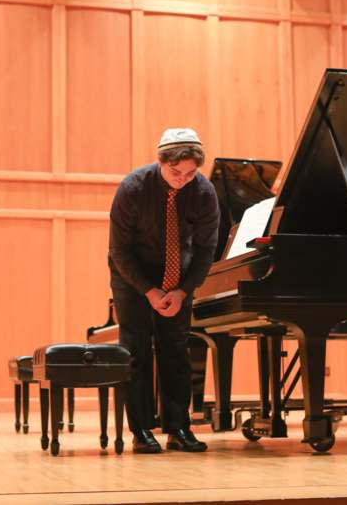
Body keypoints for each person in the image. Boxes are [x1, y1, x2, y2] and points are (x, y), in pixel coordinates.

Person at [108, 127, 220, 453]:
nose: (183, 178)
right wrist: (150, 291)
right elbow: (119, 251)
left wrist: (183, 291)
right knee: (137, 351)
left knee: (175, 350)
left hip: (177, 278)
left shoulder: (203, 192)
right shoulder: (132, 188)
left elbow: (205, 250)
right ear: (161, 161)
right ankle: (142, 431)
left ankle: (179, 428)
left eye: (190, 173)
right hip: (133, 276)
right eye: (176, 171)